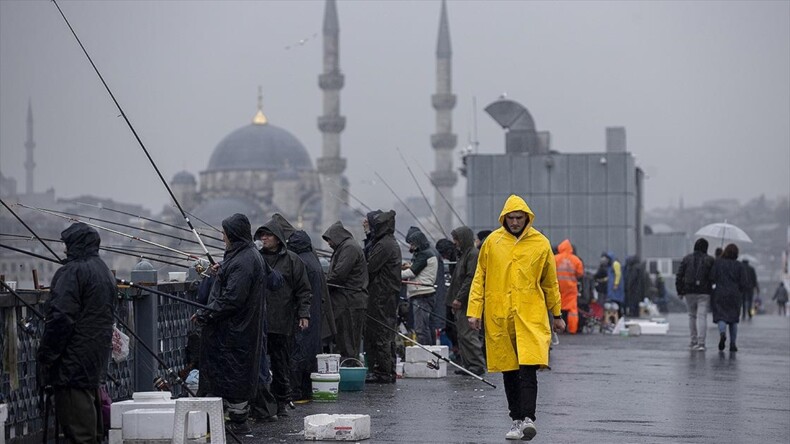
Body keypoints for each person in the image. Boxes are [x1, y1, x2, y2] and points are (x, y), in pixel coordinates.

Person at [467, 195, 565, 441]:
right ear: (504, 218)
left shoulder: (540, 244)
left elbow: (550, 282)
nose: (514, 222)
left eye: (518, 218)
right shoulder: (492, 242)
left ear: (527, 218)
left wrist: (557, 314)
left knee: (528, 367)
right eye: (510, 218)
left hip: (529, 314)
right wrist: (474, 310)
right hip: (499, 314)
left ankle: (528, 418)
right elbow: (480, 277)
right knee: (509, 370)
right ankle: (516, 419)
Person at [36, 223, 116, 443]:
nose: (64, 250)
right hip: (94, 362)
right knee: (93, 430)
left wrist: (46, 357)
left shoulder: (72, 272)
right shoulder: (104, 271)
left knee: (79, 433)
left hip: (72, 365)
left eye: (67, 245)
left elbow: (60, 318)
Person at [193, 213, 266, 434]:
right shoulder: (246, 255)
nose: (222, 237)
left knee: (232, 374)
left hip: (233, 331)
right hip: (237, 329)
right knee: (232, 374)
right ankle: (231, 417)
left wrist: (205, 314)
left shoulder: (244, 260)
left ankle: (237, 420)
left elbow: (233, 299)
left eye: (224, 233)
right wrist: (222, 271)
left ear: (232, 235)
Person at [253, 218, 311, 415]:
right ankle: (259, 404)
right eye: (262, 235)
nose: (264, 238)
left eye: (268, 235)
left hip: (282, 320)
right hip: (258, 321)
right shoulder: (256, 257)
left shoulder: (292, 260)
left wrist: (304, 314)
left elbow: (303, 290)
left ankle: (282, 402)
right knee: (257, 365)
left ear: (278, 238)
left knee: (281, 364)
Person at [362, 210, 402, 383]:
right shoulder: (387, 242)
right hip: (386, 295)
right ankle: (386, 370)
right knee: (385, 332)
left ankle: (383, 372)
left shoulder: (385, 245)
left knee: (381, 333)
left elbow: (370, 267)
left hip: (381, 296)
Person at [323, 221, 369, 364]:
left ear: (336, 237)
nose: (329, 243)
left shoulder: (349, 248)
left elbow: (339, 275)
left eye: (329, 239)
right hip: (347, 302)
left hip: (349, 303)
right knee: (344, 342)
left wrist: (322, 284)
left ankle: (348, 373)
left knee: (348, 344)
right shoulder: (345, 247)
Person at [449, 226, 486, 376]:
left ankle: (476, 365)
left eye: (456, 239)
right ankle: (468, 365)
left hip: (467, 302)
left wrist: (459, 298)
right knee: (462, 335)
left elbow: (470, 279)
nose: (455, 243)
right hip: (462, 301)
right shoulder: (465, 254)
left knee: (468, 335)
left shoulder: (473, 255)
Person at [402, 226, 440, 345]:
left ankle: (425, 353)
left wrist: (394, 274)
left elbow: (412, 272)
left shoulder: (424, 255)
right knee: (425, 326)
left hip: (422, 295)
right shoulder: (427, 253)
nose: (411, 247)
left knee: (421, 328)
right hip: (424, 294)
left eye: (412, 244)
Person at [675, 238, 715, 351]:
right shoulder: (710, 260)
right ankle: (701, 343)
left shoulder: (687, 259)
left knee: (692, 316)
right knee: (702, 316)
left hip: (689, 291)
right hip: (704, 292)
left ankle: (693, 341)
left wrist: (680, 291)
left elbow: (679, 275)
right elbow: (713, 277)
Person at [710, 243, 747, 352]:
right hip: (734, 295)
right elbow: (744, 283)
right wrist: (740, 291)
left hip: (720, 293)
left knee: (721, 317)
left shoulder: (718, 263)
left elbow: (711, 277)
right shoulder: (739, 266)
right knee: (733, 320)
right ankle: (733, 344)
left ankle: (722, 333)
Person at [554, 239, 584, 334]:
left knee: (556, 309)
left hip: (557, 288)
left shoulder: (555, 258)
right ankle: (572, 329)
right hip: (571, 288)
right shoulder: (576, 260)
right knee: (572, 310)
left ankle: (556, 329)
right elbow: (580, 274)